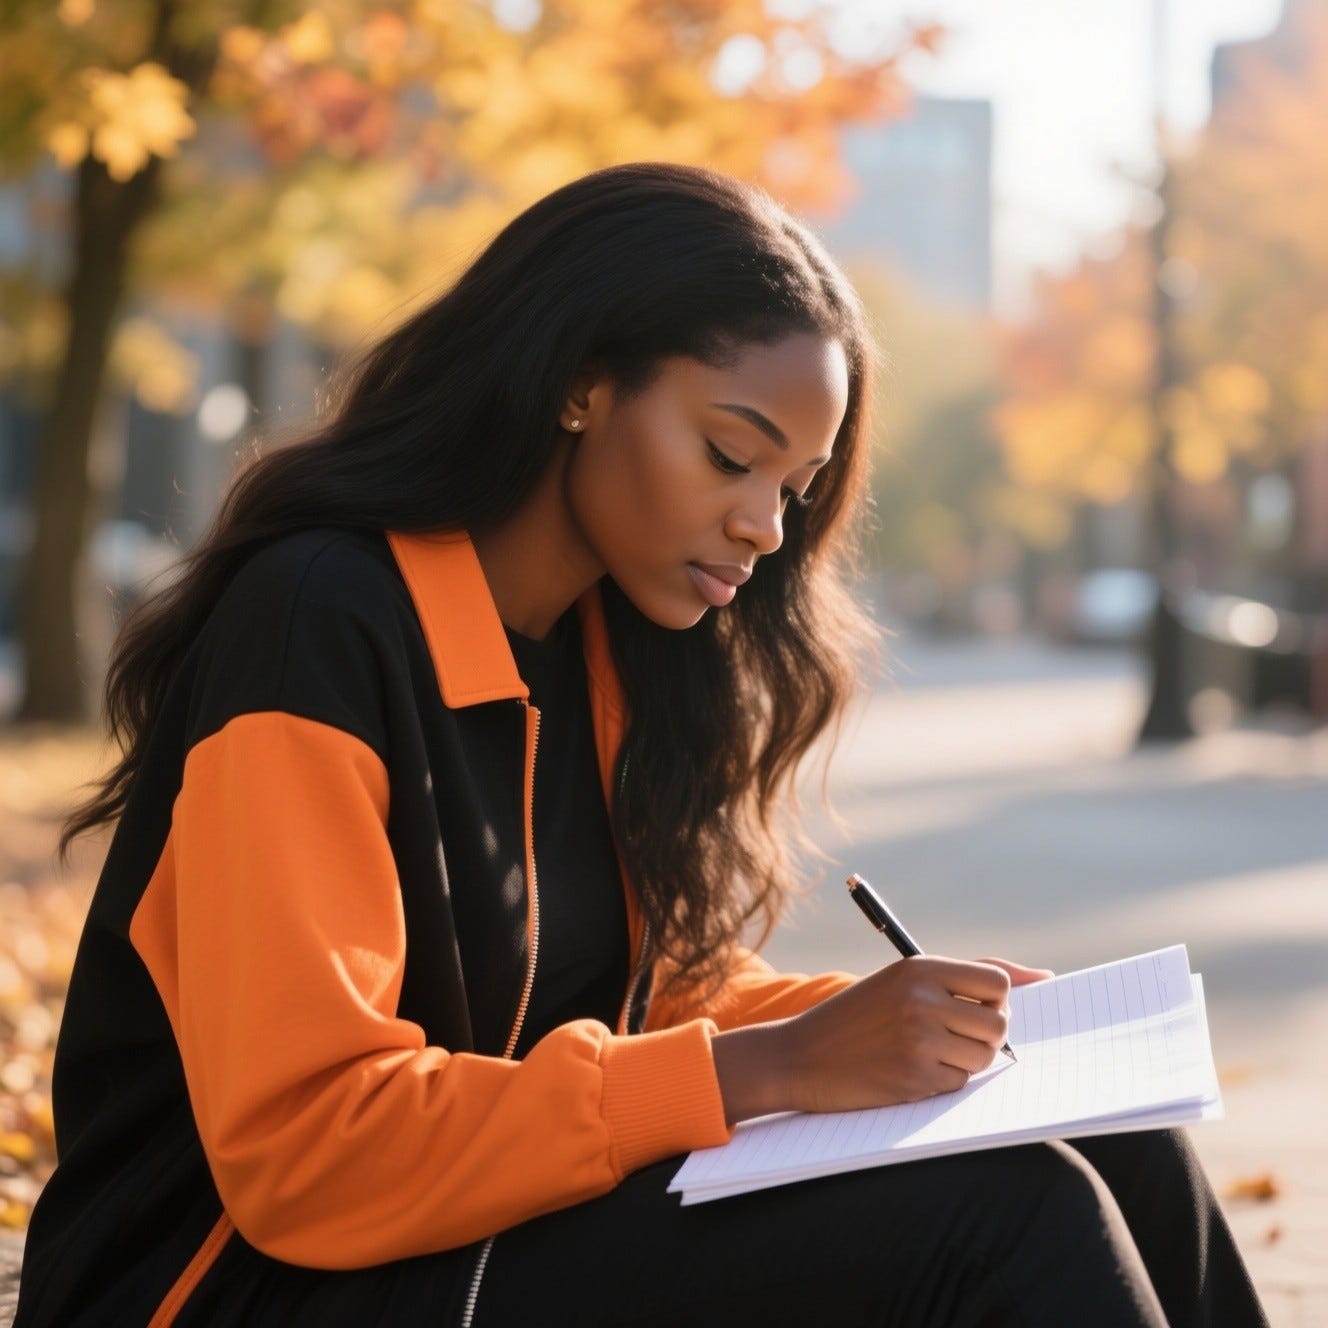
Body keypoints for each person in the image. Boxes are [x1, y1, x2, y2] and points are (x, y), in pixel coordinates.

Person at [16, 162, 1266, 1327]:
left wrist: (909, 1026)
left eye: (794, 486)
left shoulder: (605, 647)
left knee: (1104, 1136)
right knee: (1005, 1214)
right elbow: (311, 1150)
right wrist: (772, 1066)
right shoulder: (318, 626)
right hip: (239, 1281)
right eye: (730, 453)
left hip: (480, 1227)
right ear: (576, 381)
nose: (765, 525)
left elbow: (639, 998)